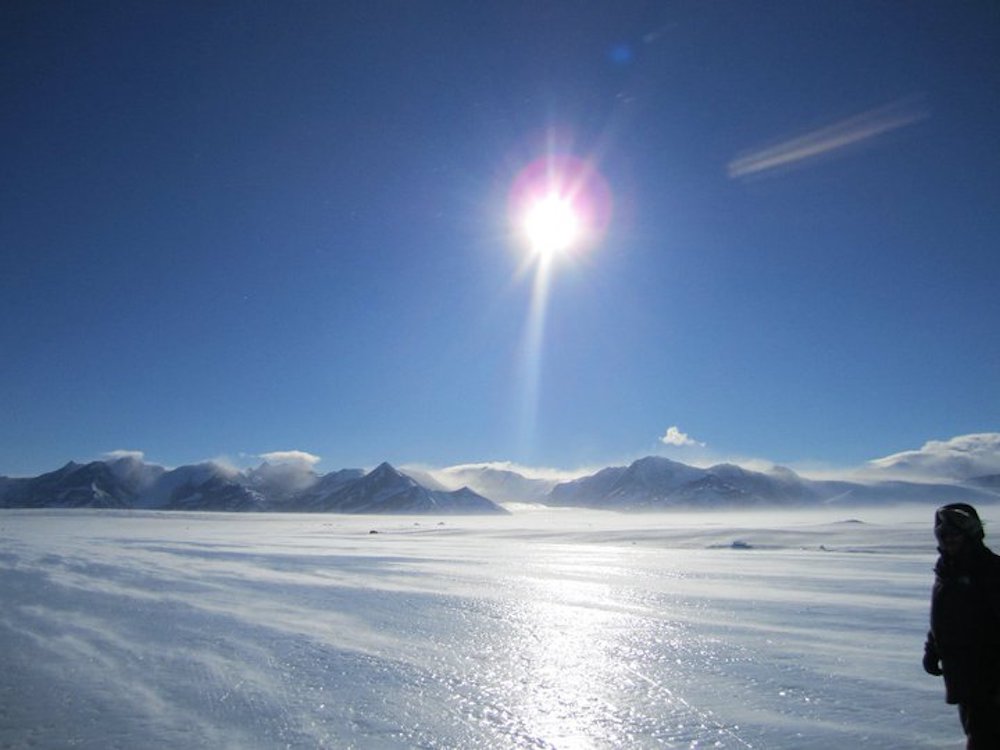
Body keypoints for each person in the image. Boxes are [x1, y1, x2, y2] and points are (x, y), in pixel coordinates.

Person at [923, 503, 1000, 749]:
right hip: (962, 673)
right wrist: (932, 650)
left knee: (984, 737)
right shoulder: (948, 570)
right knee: (976, 729)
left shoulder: (990, 571)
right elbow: (944, 617)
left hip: (989, 676)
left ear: (970, 534)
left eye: (954, 534)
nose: (948, 540)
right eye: (942, 535)